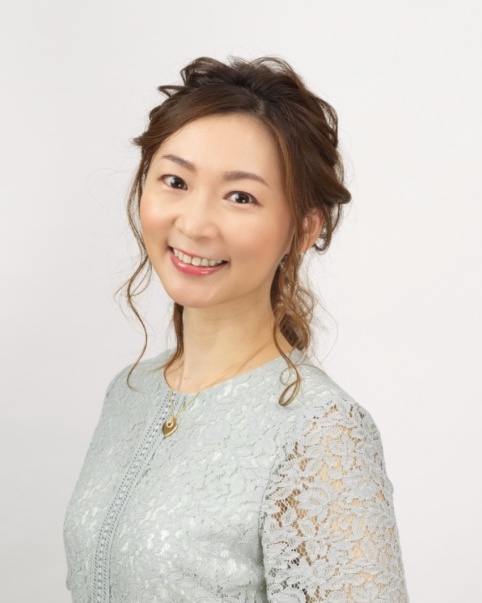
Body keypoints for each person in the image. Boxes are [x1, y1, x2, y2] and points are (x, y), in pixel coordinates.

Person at [63, 56, 409, 602]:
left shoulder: (322, 433)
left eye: (241, 196)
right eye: (175, 181)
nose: (195, 223)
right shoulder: (128, 393)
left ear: (303, 229)